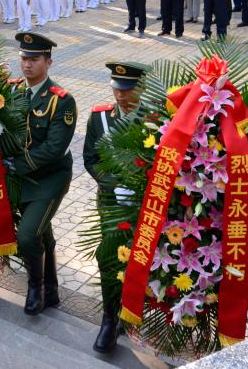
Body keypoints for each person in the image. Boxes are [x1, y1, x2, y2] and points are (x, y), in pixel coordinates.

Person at [6, 32, 76, 316]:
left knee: (26, 235)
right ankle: (51, 290)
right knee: (39, 231)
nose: (27, 65)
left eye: (34, 59)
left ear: (49, 62)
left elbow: (54, 148)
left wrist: (16, 164)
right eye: (23, 58)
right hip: (22, 178)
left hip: (49, 178)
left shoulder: (61, 101)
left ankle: (35, 287)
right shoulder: (11, 91)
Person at [83, 62, 146, 353]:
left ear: (142, 89)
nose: (121, 96)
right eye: (117, 89)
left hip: (145, 203)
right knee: (109, 255)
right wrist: (111, 186)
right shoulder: (100, 117)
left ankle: (135, 312)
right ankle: (109, 319)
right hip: (111, 202)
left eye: (129, 89)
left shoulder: (155, 120)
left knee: (142, 258)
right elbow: (90, 158)